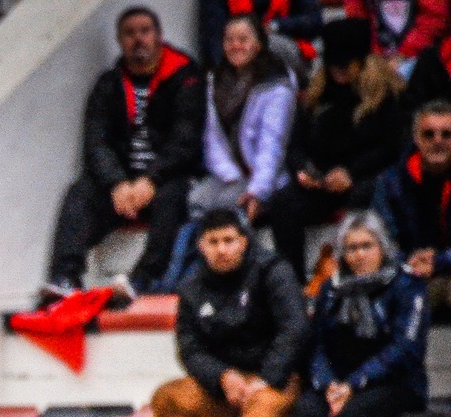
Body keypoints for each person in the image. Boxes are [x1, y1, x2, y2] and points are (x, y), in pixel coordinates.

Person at [45, 7, 204, 299]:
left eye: (145, 31)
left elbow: (185, 140)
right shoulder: (108, 84)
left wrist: (151, 179)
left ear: (158, 36)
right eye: (130, 33)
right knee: (80, 193)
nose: (138, 39)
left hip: (166, 178)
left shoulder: (185, 78)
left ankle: (144, 279)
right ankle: (65, 277)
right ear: (120, 40)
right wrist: (117, 182)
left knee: (173, 196)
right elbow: (96, 142)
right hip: (123, 184)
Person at [150, 207, 307, 417]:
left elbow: (294, 328)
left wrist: (266, 378)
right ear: (201, 246)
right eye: (213, 242)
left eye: (228, 240)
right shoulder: (191, 287)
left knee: (262, 405)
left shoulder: (273, 271)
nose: (221, 249)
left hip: (276, 380)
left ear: (243, 241)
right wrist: (222, 376)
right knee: (166, 399)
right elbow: (189, 348)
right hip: (225, 386)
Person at [260, 20, 405, 278]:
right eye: (334, 65)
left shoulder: (385, 95)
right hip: (321, 180)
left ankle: (365, 273)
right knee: (284, 203)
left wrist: (351, 173)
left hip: (364, 176)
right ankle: (292, 279)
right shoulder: (317, 95)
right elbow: (295, 144)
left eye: (346, 64)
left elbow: (390, 147)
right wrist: (303, 169)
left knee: (368, 196)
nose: (339, 71)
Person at [291, 212, 428, 417]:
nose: (360, 254)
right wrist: (328, 384)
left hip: (394, 383)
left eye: (367, 246)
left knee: (352, 416)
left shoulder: (407, 284)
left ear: (382, 247)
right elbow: (317, 345)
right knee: (307, 409)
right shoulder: (330, 288)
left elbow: (405, 348)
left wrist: (353, 384)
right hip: (339, 382)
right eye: (352, 248)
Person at [179, 12, 295, 269]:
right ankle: (180, 275)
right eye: (229, 40)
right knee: (196, 199)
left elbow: (272, 145)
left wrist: (257, 190)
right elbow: (212, 139)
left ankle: (233, 271)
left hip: (267, 176)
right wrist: (231, 176)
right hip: (230, 174)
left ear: (258, 43)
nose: (235, 46)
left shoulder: (276, 85)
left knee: (227, 207)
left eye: (243, 39)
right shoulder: (215, 80)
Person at [371, 101, 451, 312]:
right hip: (408, 274)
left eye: (446, 134)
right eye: (429, 134)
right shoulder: (390, 182)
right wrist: (409, 262)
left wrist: (439, 261)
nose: (438, 141)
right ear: (416, 138)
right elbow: (381, 239)